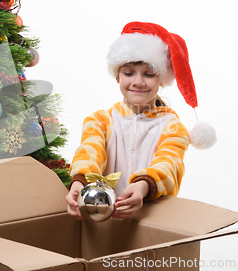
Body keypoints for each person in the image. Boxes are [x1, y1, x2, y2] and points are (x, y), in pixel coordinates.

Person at [66, 22, 216, 220]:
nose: (138, 81)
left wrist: (143, 185)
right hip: (102, 223)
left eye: (149, 74)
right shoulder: (100, 120)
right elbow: (89, 152)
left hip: (152, 222)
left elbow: (168, 163)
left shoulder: (173, 127)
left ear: (162, 78)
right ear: (117, 77)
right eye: (129, 73)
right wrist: (79, 182)